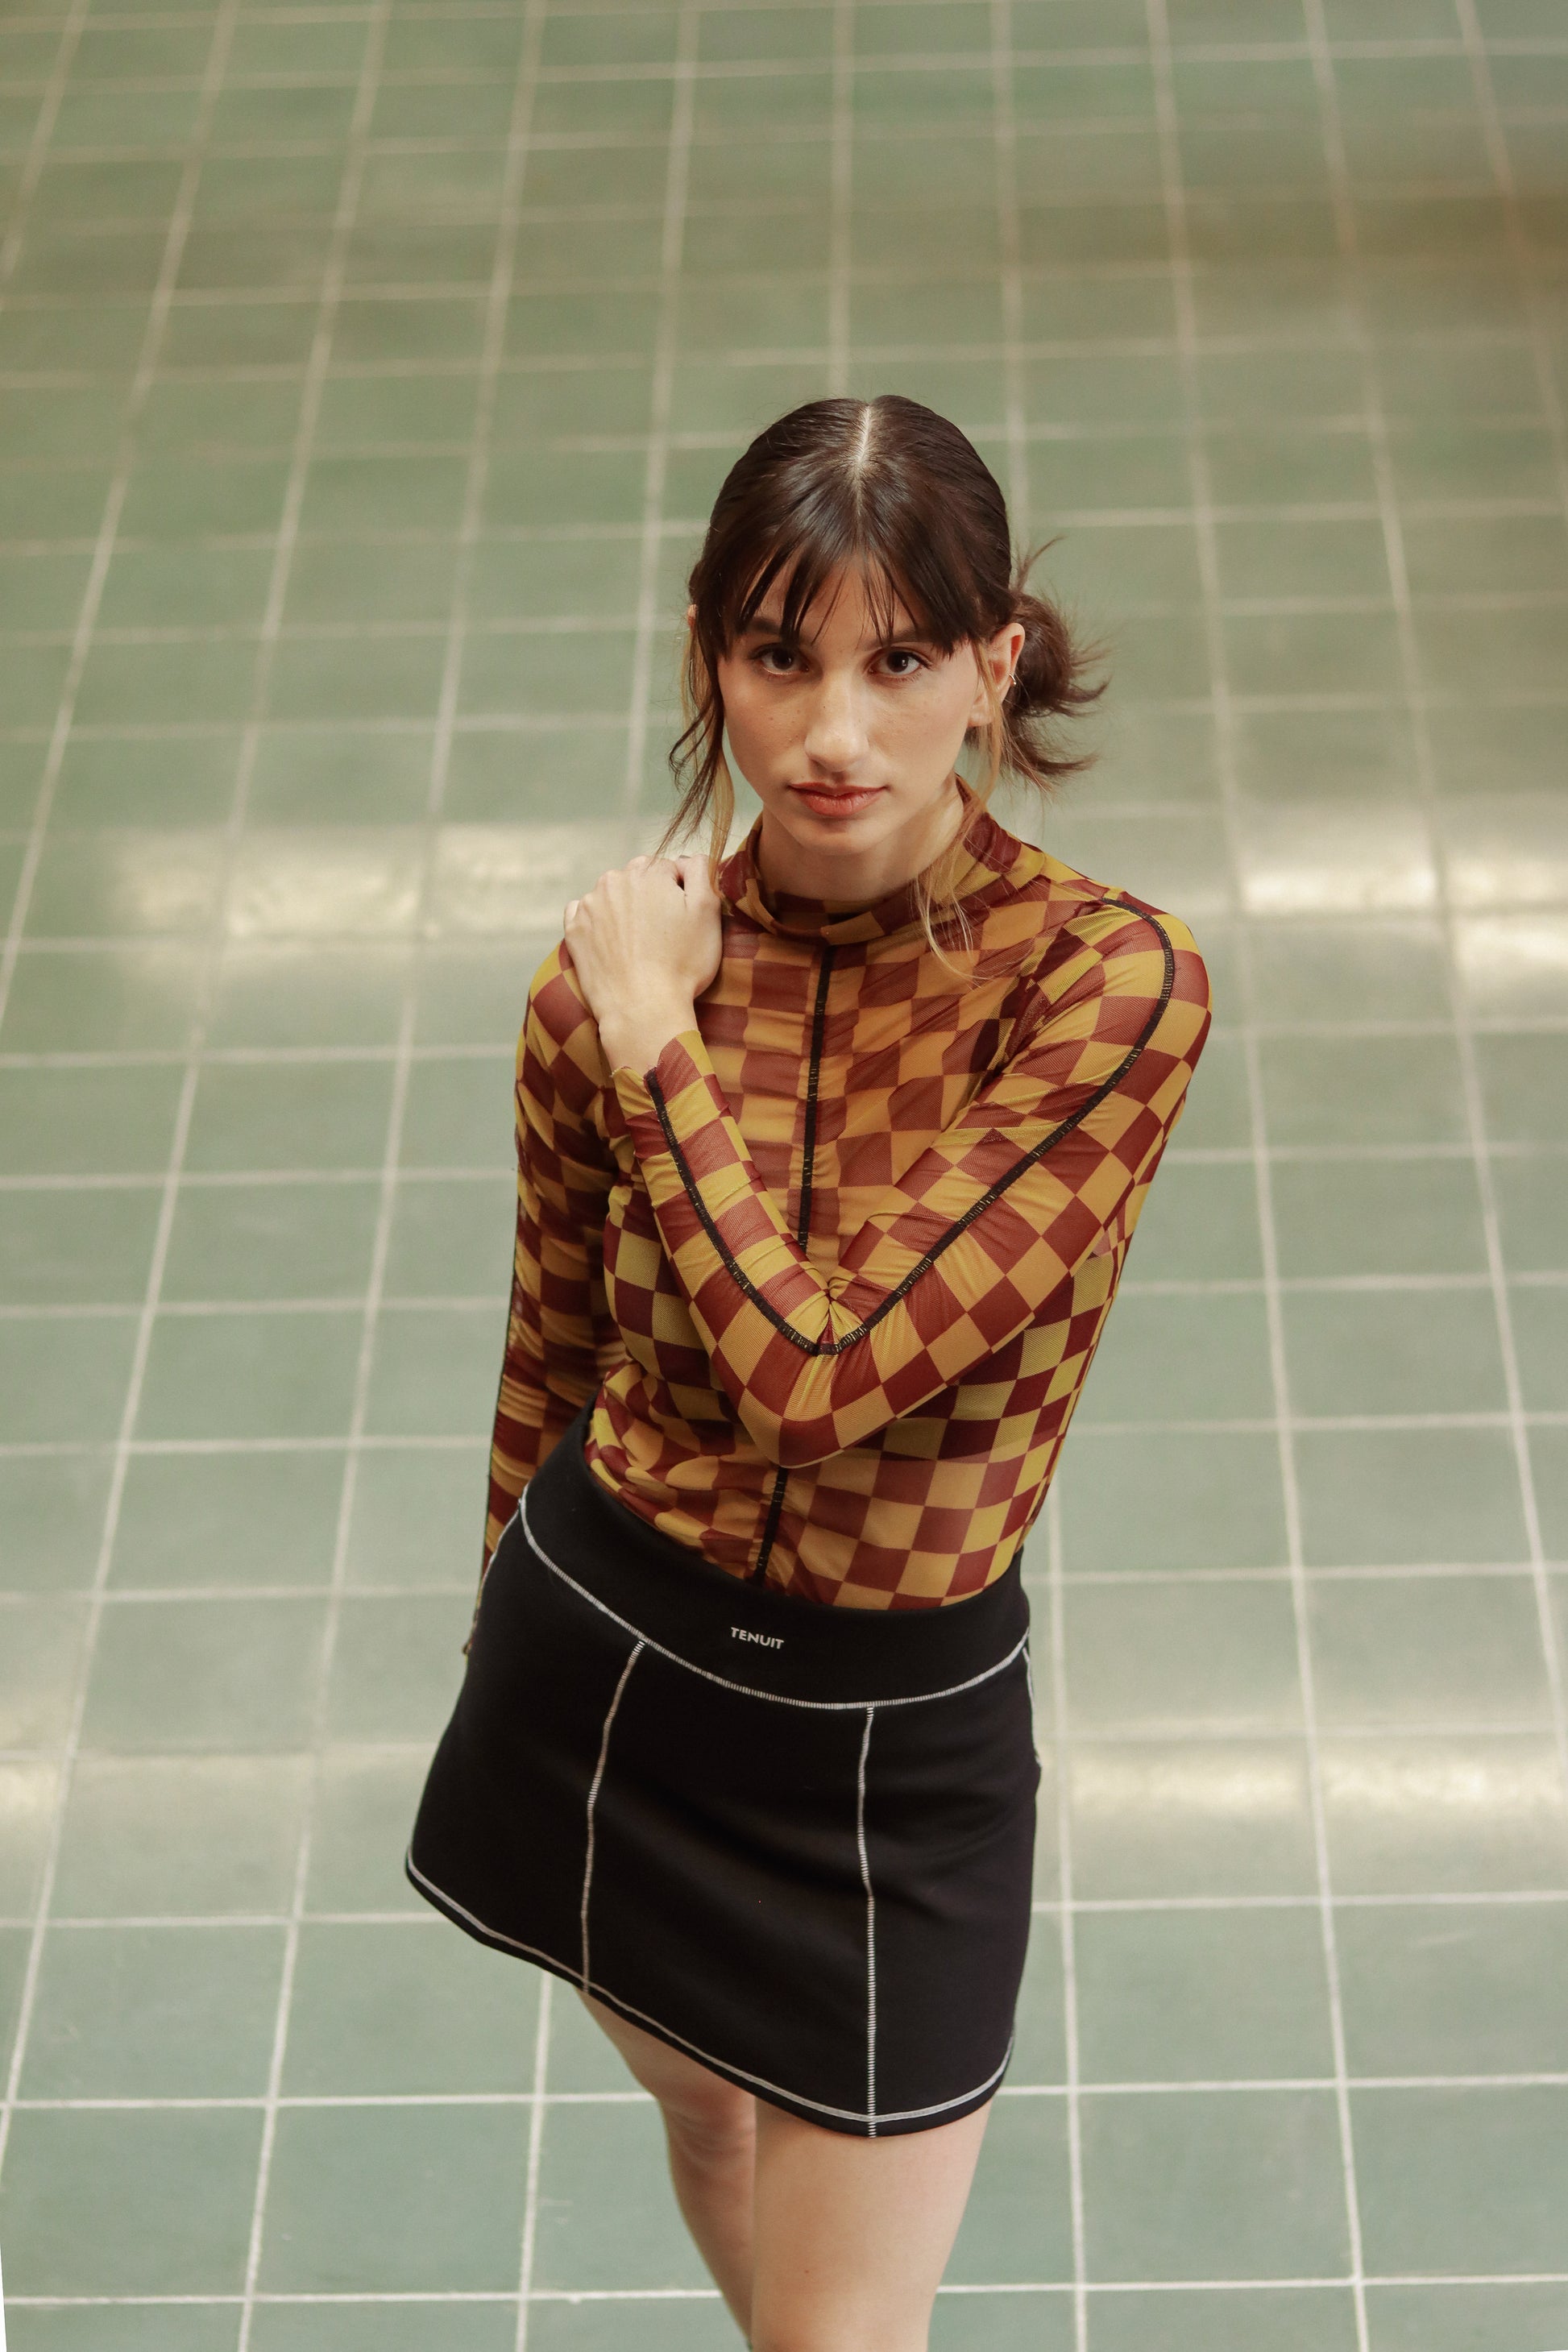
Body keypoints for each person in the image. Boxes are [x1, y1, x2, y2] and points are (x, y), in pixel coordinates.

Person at [408, 394, 1210, 2350]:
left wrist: (658, 1043)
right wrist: (498, 1628)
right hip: (608, 1664)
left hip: (886, 1741)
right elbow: (550, 1341)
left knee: (839, 2331)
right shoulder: (597, 984)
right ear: (710, 658)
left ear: (992, 666)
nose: (834, 731)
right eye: (781, 657)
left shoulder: (1103, 986)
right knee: (706, 2118)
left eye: (898, 661)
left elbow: (817, 1377)